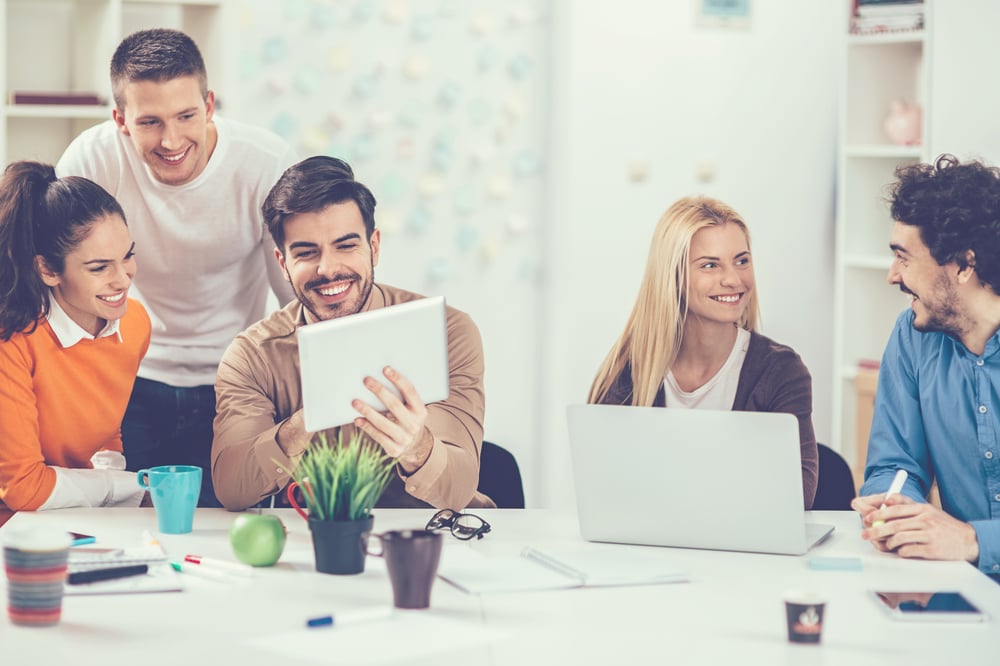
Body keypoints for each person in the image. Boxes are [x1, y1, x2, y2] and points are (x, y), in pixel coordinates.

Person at [56, 29, 297, 506]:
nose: (171, 140)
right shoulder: (91, 159)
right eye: (149, 122)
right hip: (125, 381)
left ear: (209, 105)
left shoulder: (266, 164)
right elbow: (58, 287)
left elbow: (295, 297)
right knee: (132, 528)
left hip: (236, 382)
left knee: (226, 524)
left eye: (185, 115)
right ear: (120, 120)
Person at [212, 156, 493, 511]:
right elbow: (232, 489)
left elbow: (458, 488)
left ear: (373, 246)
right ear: (283, 264)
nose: (328, 269)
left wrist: (416, 447)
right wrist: (306, 421)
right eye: (306, 252)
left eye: (346, 246)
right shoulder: (252, 355)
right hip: (314, 544)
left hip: (432, 539)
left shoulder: (447, 332)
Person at [588, 196, 818, 508]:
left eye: (742, 260)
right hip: (648, 551)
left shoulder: (781, 371)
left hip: (744, 552)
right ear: (673, 276)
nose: (733, 279)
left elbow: (794, 495)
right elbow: (605, 492)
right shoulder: (626, 372)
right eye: (710, 265)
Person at [852, 154, 1000, 580]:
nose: (892, 275)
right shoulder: (912, 337)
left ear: (964, 264)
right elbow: (894, 466)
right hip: (964, 591)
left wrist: (974, 540)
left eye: (904, 257)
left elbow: (966, 540)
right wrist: (895, 509)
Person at [0, 161, 150, 510]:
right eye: (99, 268)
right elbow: (22, 488)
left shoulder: (135, 323)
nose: (123, 279)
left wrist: (116, 502)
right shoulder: (12, 342)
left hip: (70, 514)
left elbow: (104, 432)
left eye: (127, 256)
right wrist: (126, 487)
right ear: (49, 269)